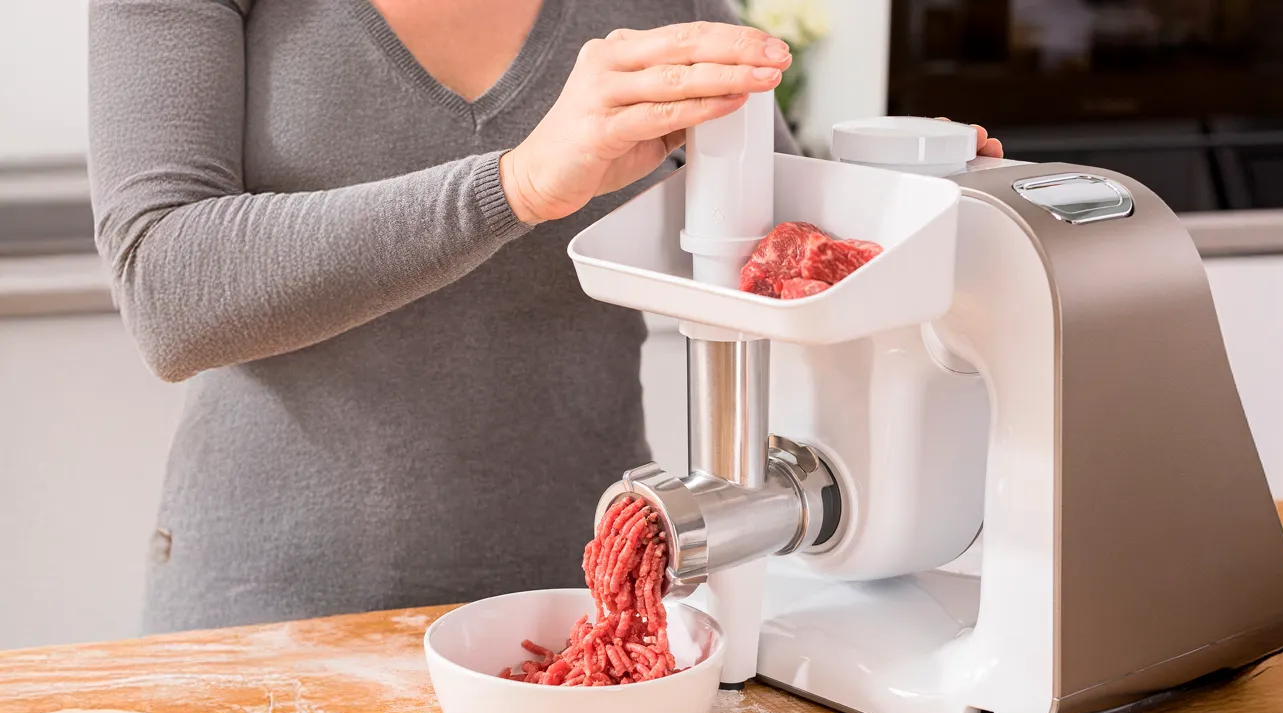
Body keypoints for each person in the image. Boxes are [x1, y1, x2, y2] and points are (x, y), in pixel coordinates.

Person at [88, 0, 1001, 633]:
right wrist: (516, 184)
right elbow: (167, 287)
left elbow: (769, 252)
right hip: (273, 623)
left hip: (591, 617)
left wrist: (902, 220)